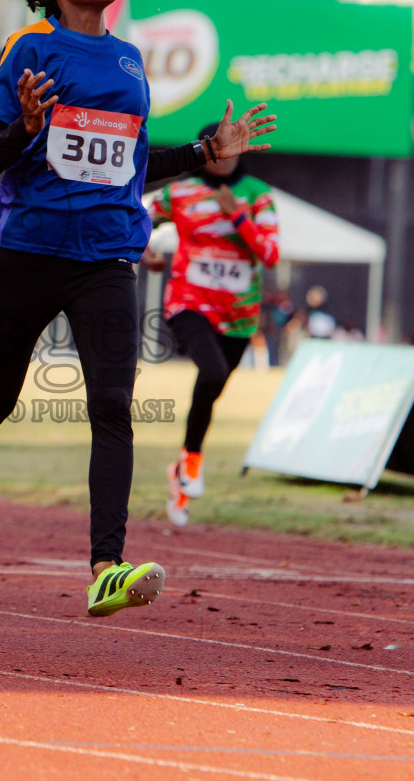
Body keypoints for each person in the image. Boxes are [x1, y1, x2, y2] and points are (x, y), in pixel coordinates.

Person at [0, 0, 275, 617]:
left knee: (113, 406)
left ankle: (106, 568)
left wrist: (206, 151)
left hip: (108, 257)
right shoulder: (29, 48)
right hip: (30, 250)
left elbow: (133, 164)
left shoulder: (128, 60)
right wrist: (26, 127)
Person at [141, 122, 280, 528]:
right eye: (218, 146)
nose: (225, 154)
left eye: (233, 146)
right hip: (188, 305)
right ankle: (192, 460)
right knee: (213, 372)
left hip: (238, 317)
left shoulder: (257, 195)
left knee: (210, 392)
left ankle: (183, 469)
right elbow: (134, 218)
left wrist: (237, 215)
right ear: (207, 149)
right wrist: (144, 251)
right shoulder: (180, 192)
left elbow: (270, 254)